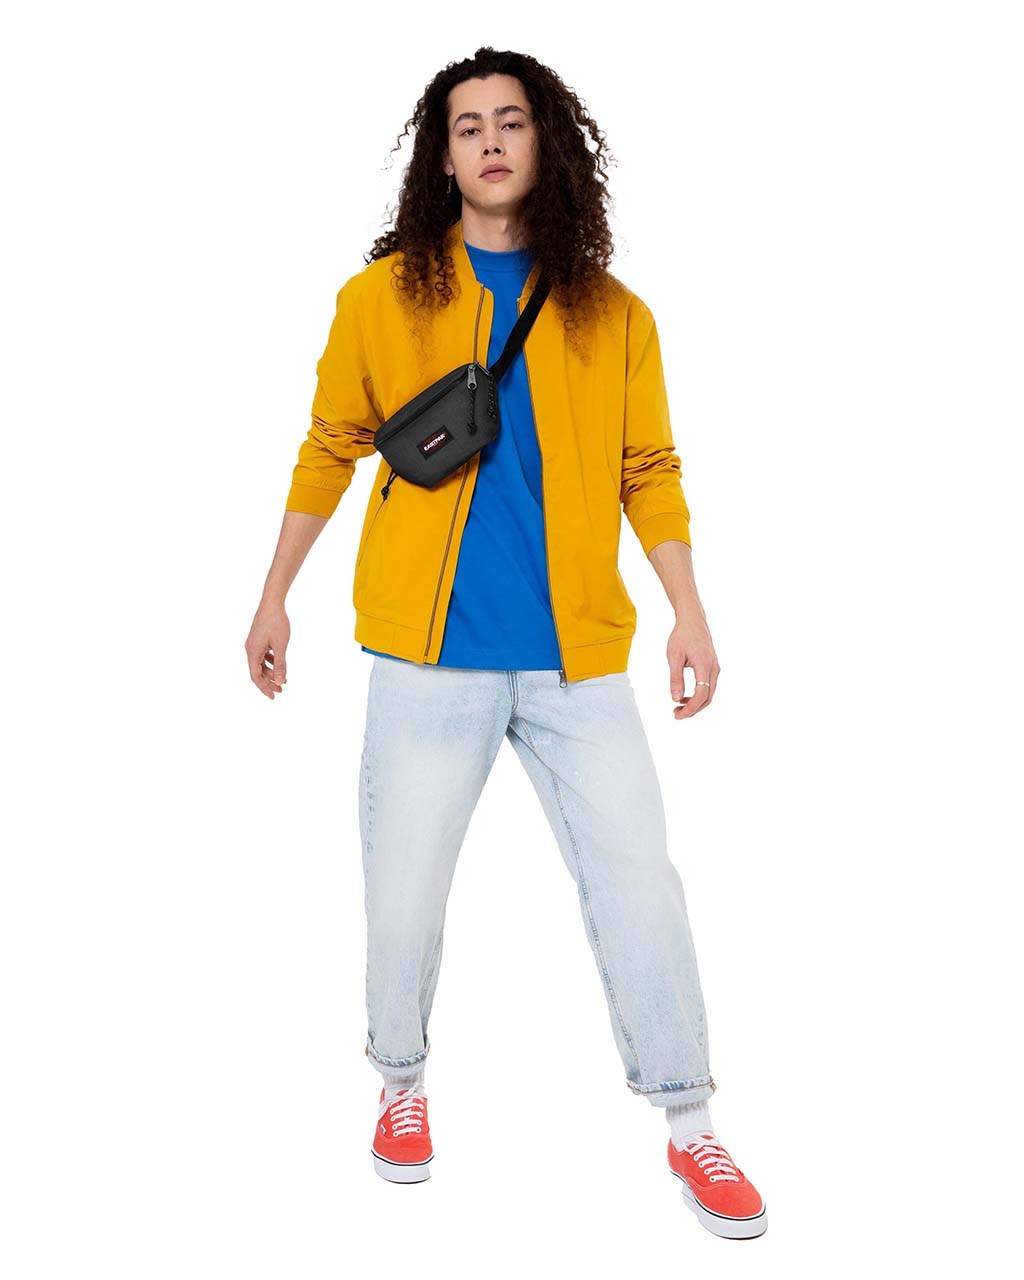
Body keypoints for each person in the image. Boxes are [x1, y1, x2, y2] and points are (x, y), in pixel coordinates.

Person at [245, 47, 765, 1239]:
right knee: (403, 889)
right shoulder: (380, 299)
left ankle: (689, 1118)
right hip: (426, 656)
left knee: (640, 883)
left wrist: (687, 609)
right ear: (441, 157)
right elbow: (329, 445)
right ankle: (401, 1084)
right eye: (466, 125)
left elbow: (649, 467)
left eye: (511, 121)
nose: (489, 141)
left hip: (577, 660)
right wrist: (275, 595)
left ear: (547, 143)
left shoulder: (614, 314)